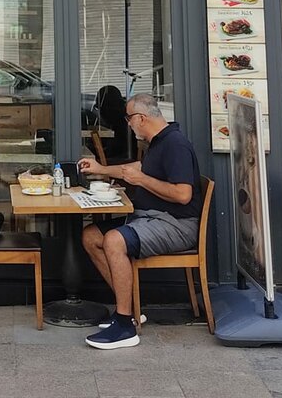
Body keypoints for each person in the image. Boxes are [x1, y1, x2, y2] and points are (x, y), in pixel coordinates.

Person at [78, 93, 201, 350]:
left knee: (114, 241)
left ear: (141, 118)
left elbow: (183, 194)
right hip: (150, 217)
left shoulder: (175, 145)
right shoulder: (159, 141)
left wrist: (142, 180)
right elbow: (136, 169)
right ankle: (132, 311)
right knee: (91, 236)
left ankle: (124, 326)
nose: (128, 124)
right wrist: (100, 169)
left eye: (129, 118)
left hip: (176, 224)